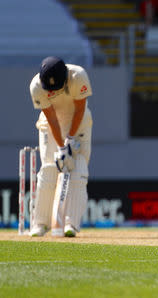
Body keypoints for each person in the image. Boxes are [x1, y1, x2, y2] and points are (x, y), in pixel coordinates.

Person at [29, 56, 93, 237]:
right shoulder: (36, 86)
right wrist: (62, 147)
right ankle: (40, 223)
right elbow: (52, 120)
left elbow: (80, 109)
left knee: (78, 171)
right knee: (49, 169)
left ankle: (71, 224)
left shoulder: (78, 76)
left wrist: (71, 139)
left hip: (79, 124)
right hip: (51, 128)